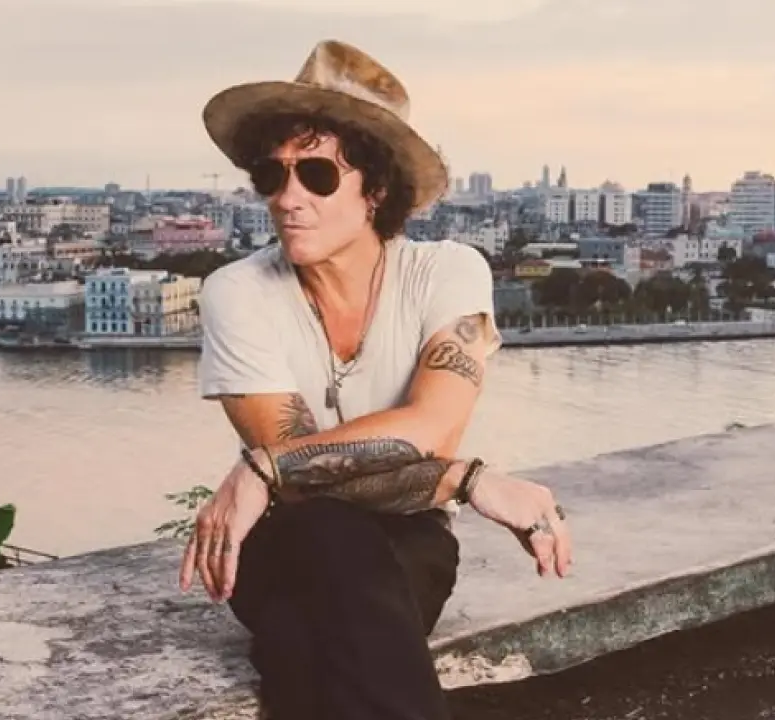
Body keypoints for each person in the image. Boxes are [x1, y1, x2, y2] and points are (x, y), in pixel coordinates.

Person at [179, 39, 572, 720]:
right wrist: (468, 480)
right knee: (329, 534)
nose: (287, 199)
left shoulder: (445, 273)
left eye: (317, 176)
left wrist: (264, 466)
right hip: (286, 543)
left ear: (377, 190)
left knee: (299, 642)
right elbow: (302, 484)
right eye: (272, 176)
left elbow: (429, 429)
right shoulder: (237, 292)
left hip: (407, 542)